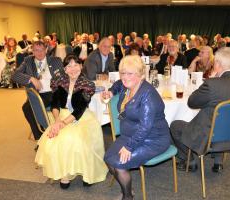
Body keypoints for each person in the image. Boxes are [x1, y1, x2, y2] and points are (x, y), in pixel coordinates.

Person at [170, 47, 230, 173]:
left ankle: (191, 161)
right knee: (221, 122)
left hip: (211, 138)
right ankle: (218, 162)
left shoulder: (213, 84)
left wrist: (210, 80)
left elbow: (192, 102)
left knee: (175, 125)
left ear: (217, 64)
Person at [103, 55, 171, 200]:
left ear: (140, 74)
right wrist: (111, 91)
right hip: (131, 134)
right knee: (108, 158)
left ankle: (128, 196)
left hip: (153, 138)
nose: (125, 77)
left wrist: (129, 147)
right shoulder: (127, 84)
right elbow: (118, 84)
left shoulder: (148, 94)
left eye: (130, 73)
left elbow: (146, 127)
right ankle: (127, 187)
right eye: (122, 73)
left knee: (119, 164)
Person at [35, 54, 108, 189]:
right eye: (69, 66)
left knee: (76, 138)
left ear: (81, 66)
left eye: (76, 65)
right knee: (58, 139)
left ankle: (88, 172)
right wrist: (57, 121)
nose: (73, 69)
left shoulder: (87, 84)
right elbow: (55, 104)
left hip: (82, 118)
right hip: (61, 115)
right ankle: (65, 174)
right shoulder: (59, 81)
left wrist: (62, 124)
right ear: (65, 69)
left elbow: (79, 109)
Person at [12, 40, 64, 141]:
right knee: (27, 108)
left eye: (42, 50)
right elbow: (15, 75)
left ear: (46, 50)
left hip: (53, 92)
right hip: (38, 94)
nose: (39, 53)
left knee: (32, 107)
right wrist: (31, 79)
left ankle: (45, 132)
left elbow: (63, 77)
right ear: (32, 51)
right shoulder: (28, 61)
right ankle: (39, 137)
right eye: (36, 50)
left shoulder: (55, 60)